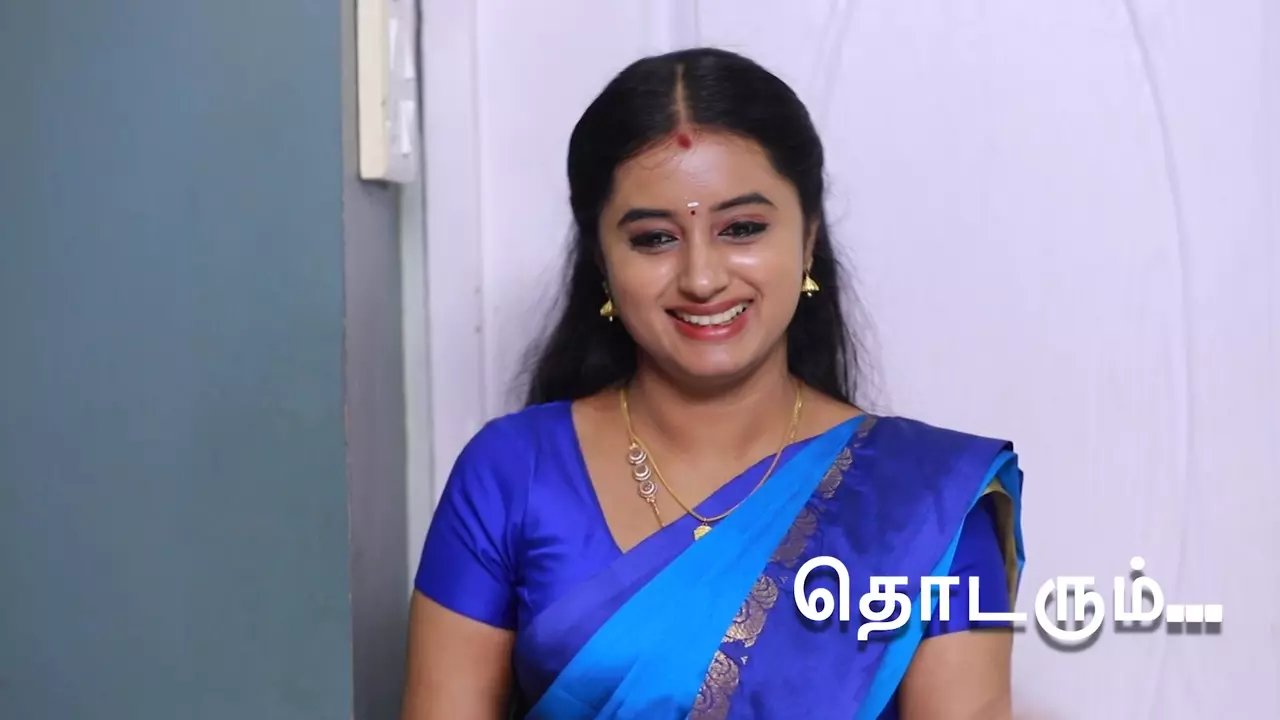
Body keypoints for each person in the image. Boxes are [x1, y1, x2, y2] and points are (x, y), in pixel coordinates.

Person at [401, 47, 1026, 720]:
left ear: (808, 239)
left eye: (742, 229)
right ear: (601, 261)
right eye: (653, 239)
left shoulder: (925, 502)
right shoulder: (511, 475)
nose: (702, 278)